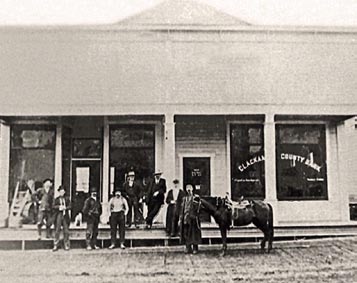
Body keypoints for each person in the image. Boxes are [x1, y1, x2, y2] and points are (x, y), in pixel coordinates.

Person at [179, 184, 202, 255]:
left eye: (190, 188)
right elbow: (182, 209)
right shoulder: (184, 199)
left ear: (192, 189)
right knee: (186, 233)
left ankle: (195, 248)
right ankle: (188, 247)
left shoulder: (196, 198)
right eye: (187, 188)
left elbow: (199, 208)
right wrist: (181, 217)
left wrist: (195, 215)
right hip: (185, 218)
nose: (188, 190)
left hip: (193, 218)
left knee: (194, 233)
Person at [52, 186, 71, 251]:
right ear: (59, 192)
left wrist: (66, 207)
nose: (62, 192)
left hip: (65, 216)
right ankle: (55, 245)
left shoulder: (67, 199)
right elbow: (53, 206)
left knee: (66, 231)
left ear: (64, 192)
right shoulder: (56, 199)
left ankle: (66, 245)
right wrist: (59, 207)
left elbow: (70, 206)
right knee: (57, 230)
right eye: (60, 191)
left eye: (63, 191)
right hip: (59, 215)